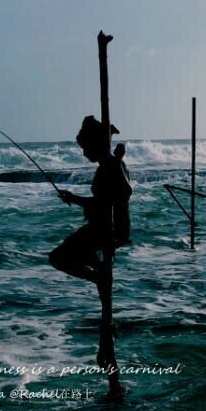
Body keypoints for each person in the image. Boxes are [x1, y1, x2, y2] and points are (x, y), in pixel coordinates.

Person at [49, 115, 132, 286]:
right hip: (109, 228)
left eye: (86, 148)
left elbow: (108, 201)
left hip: (107, 230)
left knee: (57, 257)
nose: (84, 153)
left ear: (96, 145)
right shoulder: (110, 165)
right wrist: (74, 198)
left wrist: (74, 198)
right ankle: (99, 271)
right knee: (70, 253)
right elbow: (103, 201)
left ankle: (98, 277)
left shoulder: (112, 165)